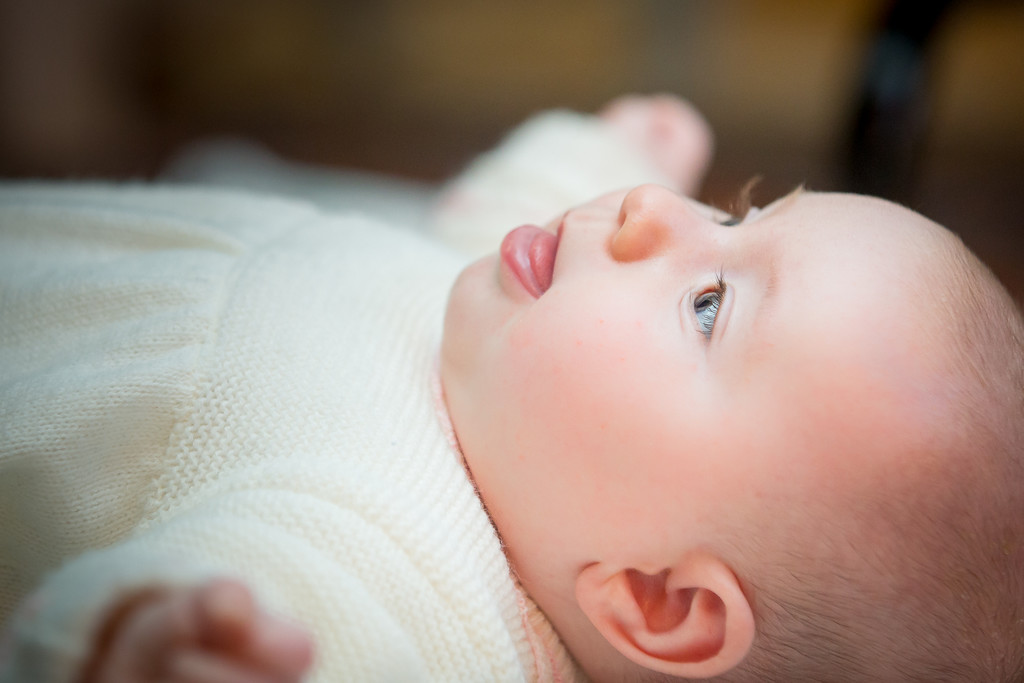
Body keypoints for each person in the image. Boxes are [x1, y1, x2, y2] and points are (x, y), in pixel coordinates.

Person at [1, 94, 1021, 683]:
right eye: (733, 215)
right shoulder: (510, 374)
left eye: (708, 304)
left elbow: (295, 627)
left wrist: (165, 642)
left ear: (658, 599)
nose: (651, 210)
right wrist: (602, 150)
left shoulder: (395, 577)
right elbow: (498, 219)